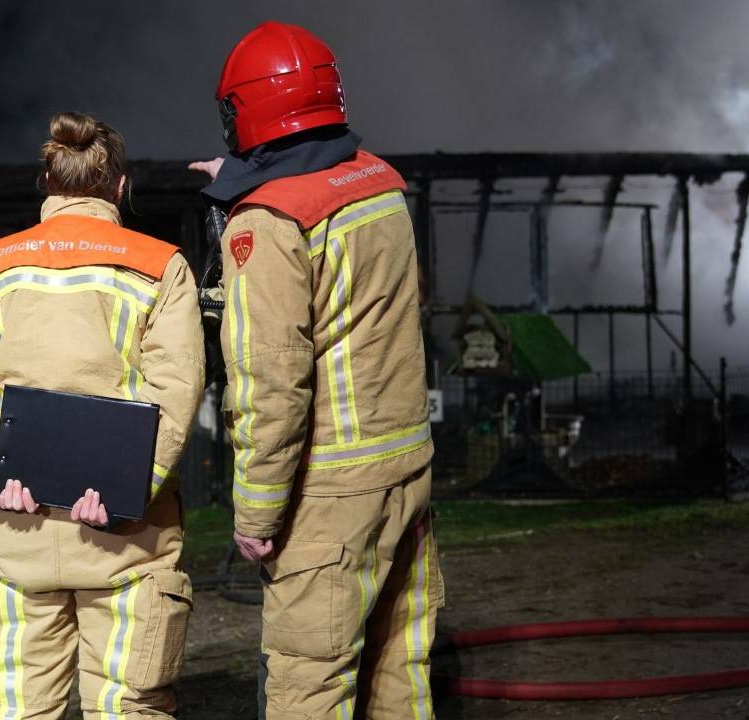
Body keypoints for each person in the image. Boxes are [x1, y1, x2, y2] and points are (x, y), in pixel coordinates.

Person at [190, 21, 443, 720]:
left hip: (330, 492)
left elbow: (271, 382)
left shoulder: (269, 225)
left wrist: (257, 514)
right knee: (400, 666)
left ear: (245, 109)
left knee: (310, 682)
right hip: (406, 467)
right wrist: (240, 185)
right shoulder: (378, 181)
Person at [0, 111, 204, 720]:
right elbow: (176, 390)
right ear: (121, 188)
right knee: (130, 708)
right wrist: (124, 487)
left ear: (47, 185)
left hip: (13, 544)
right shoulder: (160, 267)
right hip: (127, 547)